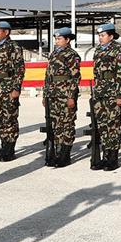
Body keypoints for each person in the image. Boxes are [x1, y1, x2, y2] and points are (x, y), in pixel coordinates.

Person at [42, 27, 81, 168]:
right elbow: (48, 76)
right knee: (56, 124)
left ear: (67, 39)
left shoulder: (72, 55)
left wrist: (71, 96)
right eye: (56, 39)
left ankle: (65, 155)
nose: (56, 41)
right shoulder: (53, 54)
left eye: (59, 39)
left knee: (67, 124)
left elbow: (75, 77)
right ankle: (56, 153)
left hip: (65, 95)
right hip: (52, 94)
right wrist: (45, 94)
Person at [0, 19, 25, 161]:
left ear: (6, 32)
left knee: (9, 119)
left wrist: (16, 88)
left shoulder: (13, 47)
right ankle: (0, 149)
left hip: (8, 88)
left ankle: (9, 150)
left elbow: (19, 69)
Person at [91, 22, 121, 171]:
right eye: (99, 35)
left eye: (103, 35)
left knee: (113, 125)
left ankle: (113, 158)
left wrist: (119, 94)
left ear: (111, 36)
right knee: (102, 125)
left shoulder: (117, 49)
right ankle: (105, 156)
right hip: (100, 92)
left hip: (112, 91)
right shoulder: (98, 50)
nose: (100, 38)